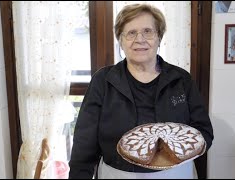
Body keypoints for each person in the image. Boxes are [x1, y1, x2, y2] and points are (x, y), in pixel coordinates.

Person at [68, 3, 214, 179]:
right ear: (120, 41)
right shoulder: (103, 81)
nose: (140, 39)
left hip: (175, 174)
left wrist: (179, 151)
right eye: (131, 33)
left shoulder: (181, 79)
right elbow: (84, 145)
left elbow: (203, 131)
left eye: (148, 31)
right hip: (116, 174)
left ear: (159, 37)